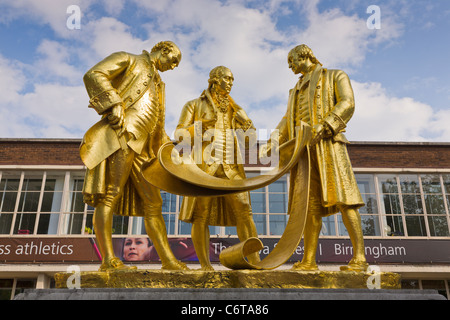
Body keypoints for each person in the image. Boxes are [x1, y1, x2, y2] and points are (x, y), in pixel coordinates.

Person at [80, 41, 188, 271]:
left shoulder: (159, 82)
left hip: (145, 147)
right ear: (164, 50)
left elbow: (156, 122)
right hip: (123, 135)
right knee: (110, 195)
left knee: (154, 204)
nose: (174, 66)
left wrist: (169, 149)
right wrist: (113, 103)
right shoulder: (128, 58)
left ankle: (169, 262)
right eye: (174, 60)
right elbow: (93, 74)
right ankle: (108, 260)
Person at [263, 44, 368, 272]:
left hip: (328, 145)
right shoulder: (295, 90)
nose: (290, 66)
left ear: (304, 55)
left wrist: (327, 124)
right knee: (308, 208)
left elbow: (347, 103)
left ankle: (359, 257)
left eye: (292, 61)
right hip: (303, 152)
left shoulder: (335, 75)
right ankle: (309, 261)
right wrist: (273, 139)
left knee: (344, 199)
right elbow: (286, 120)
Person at [175, 66, 260, 270]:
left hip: (231, 168)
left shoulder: (236, 109)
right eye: (227, 79)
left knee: (245, 211)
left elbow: (250, 142)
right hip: (204, 168)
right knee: (200, 215)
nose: (230, 83)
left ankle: (256, 262)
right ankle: (205, 266)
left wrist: (246, 123)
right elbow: (179, 136)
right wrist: (200, 127)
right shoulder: (193, 105)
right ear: (214, 80)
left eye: (232, 79)